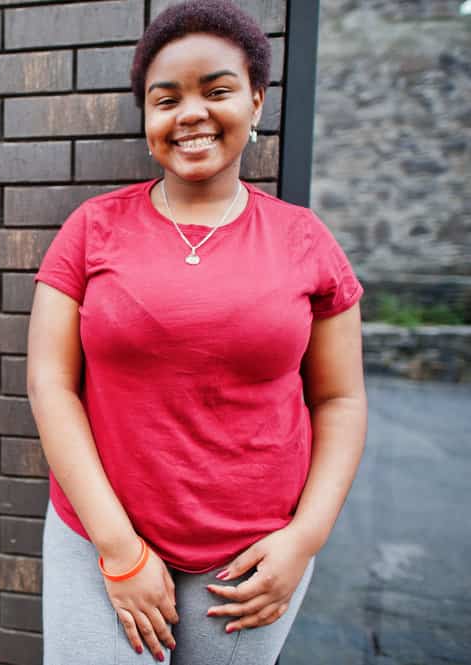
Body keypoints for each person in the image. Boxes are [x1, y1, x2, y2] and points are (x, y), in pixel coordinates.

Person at [26, 1, 368, 663]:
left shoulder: (305, 241)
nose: (190, 113)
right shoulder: (91, 228)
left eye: (216, 90)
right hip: (97, 538)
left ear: (257, 101)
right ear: (147, 116)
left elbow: (340, 400)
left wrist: (305, 537)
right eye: (165, 98)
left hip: (252, 557)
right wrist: (119, 550)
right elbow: (49, 383)